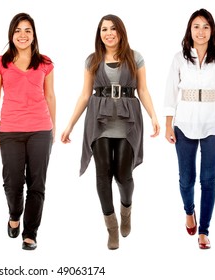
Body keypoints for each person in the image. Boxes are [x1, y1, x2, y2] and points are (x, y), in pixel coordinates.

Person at [61, 14, 160, 250]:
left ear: (121, 31)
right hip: (99, 121)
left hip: (127, 122)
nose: (109, 33)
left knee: (123, 175)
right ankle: (112, 227)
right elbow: (85, 94)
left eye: (113, 28)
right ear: (99, 34)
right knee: (102, 175)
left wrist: (154, 116)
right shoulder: (92, 60)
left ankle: (126, 209)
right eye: (104, 29)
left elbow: (143, 90)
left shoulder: (135, 57)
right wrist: (70, 124)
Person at [164, 8, 215, 250]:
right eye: (196, 26)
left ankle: (204, 231)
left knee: (208, 180)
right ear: (189, 30)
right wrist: (168, 124)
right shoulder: (179, 58)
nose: (201, 31)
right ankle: (189, 211)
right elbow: (170, 92)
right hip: (184, 123)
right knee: (186, 179)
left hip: (214, 123)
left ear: (212, 30)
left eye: (206, 26)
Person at [0, 12, 56, 251]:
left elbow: (50, 95)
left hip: (40, 129)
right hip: (10, 130)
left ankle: (30, 233)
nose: (23, 35)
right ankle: (14, 214)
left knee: (37, 184)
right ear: (11, 34)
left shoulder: (45, 63)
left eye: (27, 30)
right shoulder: (0, 63)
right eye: (18, 30)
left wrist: (53, 128)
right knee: (13, 182)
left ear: (34, 34)